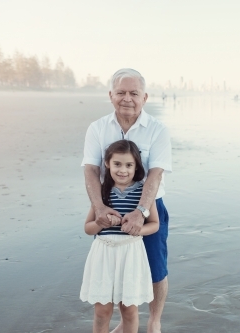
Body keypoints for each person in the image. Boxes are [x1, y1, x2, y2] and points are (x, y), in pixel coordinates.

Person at [82, 68, 172, 333]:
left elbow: (156, 173)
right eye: (121, 92)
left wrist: (142, 211)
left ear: (145, 97)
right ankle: (124, 318)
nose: (127, 98)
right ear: (111, 95)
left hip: (152, 203)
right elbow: (90, 169)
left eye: (134, 93)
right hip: (107, 204)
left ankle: (154, 320)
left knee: (156, 266)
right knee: (115, 267)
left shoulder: (158, 129)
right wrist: (98, 208)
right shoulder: (97, 128)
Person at [80, 140, 159, 333]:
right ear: (107, 163)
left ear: (136, 166)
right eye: (117, 164)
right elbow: (87, 228)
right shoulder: (101, 192)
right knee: (102, 310)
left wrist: (137, 230)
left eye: (129, 165)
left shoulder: (143, 193)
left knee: (130, 310)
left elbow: (155, 224)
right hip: (103, 254)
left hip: (131, 253)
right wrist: (99, 222)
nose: (123, 170)